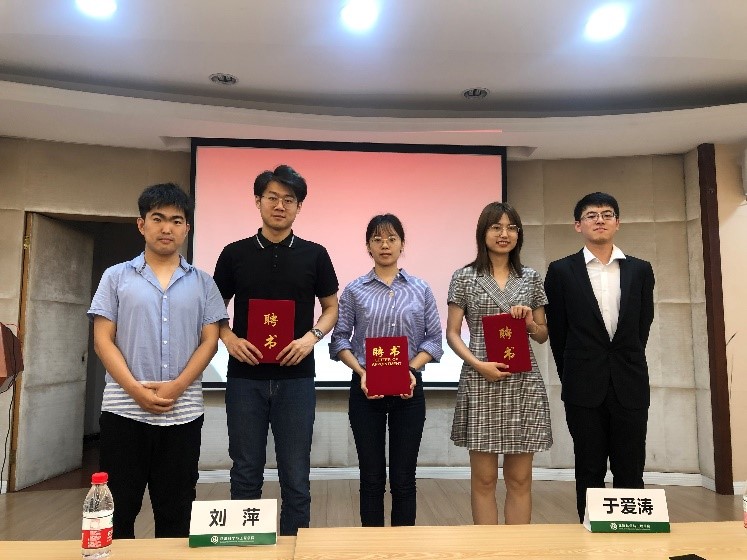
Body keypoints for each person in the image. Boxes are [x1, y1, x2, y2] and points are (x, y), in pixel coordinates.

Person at [88, 183, 227, 538]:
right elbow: (103, 341)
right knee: (118, 509)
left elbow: (210, 342)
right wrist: (135, 390)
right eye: (158, 218)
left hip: (183, 413)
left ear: (187, 228)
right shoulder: (115, 277)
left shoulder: (204, 283)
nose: (167, 228)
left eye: (176, 221)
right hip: (124, 411)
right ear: (142, 224)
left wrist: (177, 386)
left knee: (177, 511)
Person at [213, 164, 339, 536]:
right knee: (245, 471)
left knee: (296, 474)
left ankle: (295, 547)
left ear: (299, 207)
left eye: (289, 199)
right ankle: (246, 544)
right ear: (258, 201)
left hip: (296, 380)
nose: (280, 205)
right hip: (244, 380)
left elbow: (331, 307)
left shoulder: (315, 255)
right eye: (272, 197)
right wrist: (229, 338)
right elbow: (212, 308)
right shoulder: (234, 253)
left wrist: (311, 337)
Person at [544, 192, 655, 523]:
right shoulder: (561, 271)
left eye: (607, 214)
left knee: (630, 466)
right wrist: (573, 374)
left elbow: (642, 326)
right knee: (589, 466)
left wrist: (624, 363)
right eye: (591, 215)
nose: (600, 220)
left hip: (629, 382)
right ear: (578, 225)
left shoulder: (640, 270)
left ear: (618, 223)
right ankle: (591, 532)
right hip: (583, 384)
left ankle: (631, 531)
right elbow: (559, 333)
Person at [330, 214, 443, 527]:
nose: (384, 245)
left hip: (409, 390)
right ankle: (372, 546)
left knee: (404, 479)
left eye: (392, 239)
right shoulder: (354, 290)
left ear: (402, 244)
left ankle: (402, 546)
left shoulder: (420, 289)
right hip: (366, 390)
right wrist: (362, 371)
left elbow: (434, 340)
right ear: (368, 245)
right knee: (371, 479)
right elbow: (339, 339)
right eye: (377, 239)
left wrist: (411, 369)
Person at [446, 202, 552, 525]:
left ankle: (517, 548)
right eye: (496, 227)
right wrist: (478, 365)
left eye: (511, 228)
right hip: (482, 380)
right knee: (484, 480)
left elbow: (542, 334)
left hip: (522, 383)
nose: (504, 234)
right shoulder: (465, 277)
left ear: (519, 234)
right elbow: (452, 333)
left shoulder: (530, 278)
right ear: (483, 232)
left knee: (520, 479)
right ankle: (488, 549)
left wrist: (530, 323)